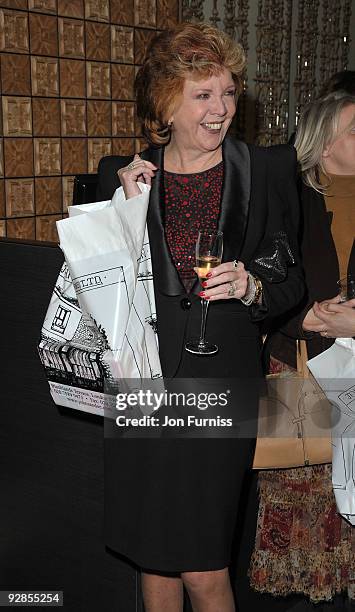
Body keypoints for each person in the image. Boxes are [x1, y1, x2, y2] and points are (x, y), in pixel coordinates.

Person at [97, 22, 304, 612]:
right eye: (204, 95)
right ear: (164, 102)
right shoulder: (127, 174)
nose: (222, 110)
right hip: (143, 380)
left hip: (222, 383)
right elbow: (106, 285)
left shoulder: (265, 169)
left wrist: (253, 284)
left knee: (203, 568)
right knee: (154, 556)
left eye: (229, 92)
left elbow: (293, 281)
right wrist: (126, 212)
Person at [249, 90, 355, 610]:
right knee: (300, 495)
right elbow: (259, 280)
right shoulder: (285, 196)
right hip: (300, 364)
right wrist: (300, 316)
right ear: (323, 142)